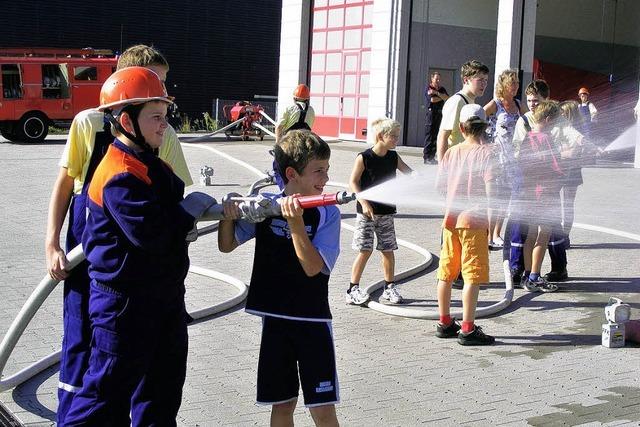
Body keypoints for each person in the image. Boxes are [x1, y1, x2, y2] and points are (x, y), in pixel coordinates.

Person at [45, 44, 193, 424]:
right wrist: (188, 216)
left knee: (160, 396)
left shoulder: (146, 161)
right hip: (126, 307)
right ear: (127, 122)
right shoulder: (120, 174)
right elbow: (156, 234)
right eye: (157, 116)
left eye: (166, 114)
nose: (165, 124)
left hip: (160, 300)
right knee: (102, 399)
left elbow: (173, 192)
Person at [218, 130, 341, 427]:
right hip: (274, 321)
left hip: (311, 324)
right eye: (318, 171)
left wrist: (295, 223)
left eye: (327, 170)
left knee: (322, 410)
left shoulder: (328, 213)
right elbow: (226, 245)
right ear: (291, 174)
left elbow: (312, 268)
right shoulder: (266, 205)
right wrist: (228, 215)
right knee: (282, 405)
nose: (325, 178)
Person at [434, 104, 495, 346]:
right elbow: (492, 192)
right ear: (485, 127)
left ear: (461, 127)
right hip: (474, 222)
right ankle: (468, 329)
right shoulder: (488, 153)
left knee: (446, 272)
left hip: (450, 221)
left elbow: (440, 187)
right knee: (472, 275)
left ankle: (445, 322)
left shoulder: (451, 152)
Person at [347, 118, 413, 306]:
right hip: (366, 213)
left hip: (386, 212)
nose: (395, 140)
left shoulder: (393, 157)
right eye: (392, 136)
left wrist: (420, 177)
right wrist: (363, 201)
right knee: (364, 250)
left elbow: (408, 171)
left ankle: (389, 287)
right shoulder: (364, 157)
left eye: (397, 136)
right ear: (380, 136)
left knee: (388, 249)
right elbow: (353, 182)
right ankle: (352, 289)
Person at [518, 100, 563, 293]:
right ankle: (536, 277)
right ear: (548, 119)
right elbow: (555, 167)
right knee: (543, 236)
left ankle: (527, 274)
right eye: (555, 123)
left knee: (531, 235)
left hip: (530, 192)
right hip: (546, 193)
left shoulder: (528, 137)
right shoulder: (546, 139)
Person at [483, 69, 525, 250]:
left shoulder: (518, 104)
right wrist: (485, 142)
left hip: (514, 159)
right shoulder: (496, 104)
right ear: (503, 85)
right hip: (497, 158)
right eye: (512, 83)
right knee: (495, 198)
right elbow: (477, 119)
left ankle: (497, 234)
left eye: (516, 83)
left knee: (507, 197)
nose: (515, 87)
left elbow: (529, 121)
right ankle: (488, 236)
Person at [436, 60, 490, 163]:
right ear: (466, 80)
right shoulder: (457, 101)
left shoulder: (471, 101)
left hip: (466, 161)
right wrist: (442, 170)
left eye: (486, 80)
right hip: (455, 162)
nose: (484, 84)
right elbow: (443, 136)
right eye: (480, 80)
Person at [273, 84, 316, 188]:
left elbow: (279, 127)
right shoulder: (311, 110)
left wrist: (278, 144)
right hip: (305, 144)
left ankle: (283, 187)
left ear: (294, 98)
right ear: (307, 98)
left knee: (278, 165)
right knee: (301, 167)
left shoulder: (289, 109)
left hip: (289, 142)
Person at [423, 71, 449, 164]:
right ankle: (427, 157)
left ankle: (432, 157)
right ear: (432, 78)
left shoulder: (441, 89)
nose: (438, 81)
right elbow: (432, 100)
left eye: (439, 79)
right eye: (436, 79)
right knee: (429, 136)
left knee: (436, 137)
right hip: (431, 115)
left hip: (439, 114)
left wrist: (437, 93)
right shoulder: (428, 88)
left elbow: (447, 98)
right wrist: (441, 97)